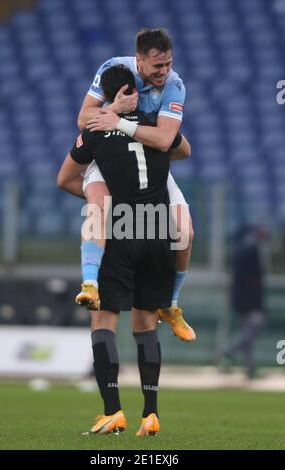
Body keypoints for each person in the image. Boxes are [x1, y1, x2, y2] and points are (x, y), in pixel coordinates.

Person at [58, 64, 195, 435]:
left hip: (119, 229)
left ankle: (112, 411)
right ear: (137, 88)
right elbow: (180, 147)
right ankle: (150, 413)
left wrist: (99, 198)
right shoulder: (157, 126)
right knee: (145, 324)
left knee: (104, 320)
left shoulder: (96, 130)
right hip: (155, 230)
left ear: (104, 95)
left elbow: (63, 177)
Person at [75, 28, 195, 338]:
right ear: (138, 60)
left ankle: (170, 303)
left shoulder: (174, 85)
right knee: (98, 208)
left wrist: (120, 123)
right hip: (111, 158)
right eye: (158, 65)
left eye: (168, 63)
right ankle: (90, 283)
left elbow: (167, 139)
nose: (164, 71)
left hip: (149, 163)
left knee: (184, 232)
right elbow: (82, 119)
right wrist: (113, 111)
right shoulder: (113, 69)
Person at [222, 225, 267, 379]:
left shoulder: (244, 245)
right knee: (255, 327)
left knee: (248, 330)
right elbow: (251, 277)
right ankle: (229, 350)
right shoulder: (250, 247)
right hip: (248, 298)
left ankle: (250, 368)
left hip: (242, 296)